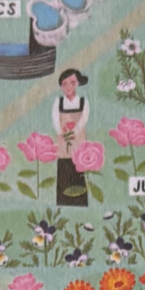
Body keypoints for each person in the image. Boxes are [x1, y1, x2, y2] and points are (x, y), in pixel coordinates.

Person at [52, 67, 91, 207]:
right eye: (64, 84)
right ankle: (63, 200)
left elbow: (83, 120)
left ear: (78, 84)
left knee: (78, 166)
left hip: (78, 140)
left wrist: (74, 132)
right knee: (64, 167)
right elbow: (56, 120)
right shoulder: (58, 102)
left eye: (72, 83)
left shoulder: (83, 101)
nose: (68, 87)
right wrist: (62, 133)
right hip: (63, 141)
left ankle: (80, 200)